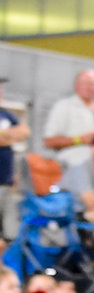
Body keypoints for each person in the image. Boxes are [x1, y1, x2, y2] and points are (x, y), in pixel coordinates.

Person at [42, 70, 94, 168]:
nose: (89, 87)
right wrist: (81, 139)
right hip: (70, 169)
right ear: (76, 86)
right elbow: (49, 141)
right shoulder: (64, 106)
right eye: (85, 83)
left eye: (93, 83)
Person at [0, 79, 31, 240]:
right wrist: (8, 136)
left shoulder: (6, 115)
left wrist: (6, 137)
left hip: (6, 181)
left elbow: (24, 132)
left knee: (10, 231)